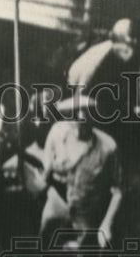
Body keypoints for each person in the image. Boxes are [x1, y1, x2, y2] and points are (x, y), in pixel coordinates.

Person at [37, 97, 123, 247]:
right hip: (58, 202)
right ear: (68, 117)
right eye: (76, 113)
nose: (81, 117)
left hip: (87, 212)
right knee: (46, 239)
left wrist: (106, 224)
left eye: (86, 112)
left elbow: (118, 191)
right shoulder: (57, 134)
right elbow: (46, 172)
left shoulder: (108, 148)